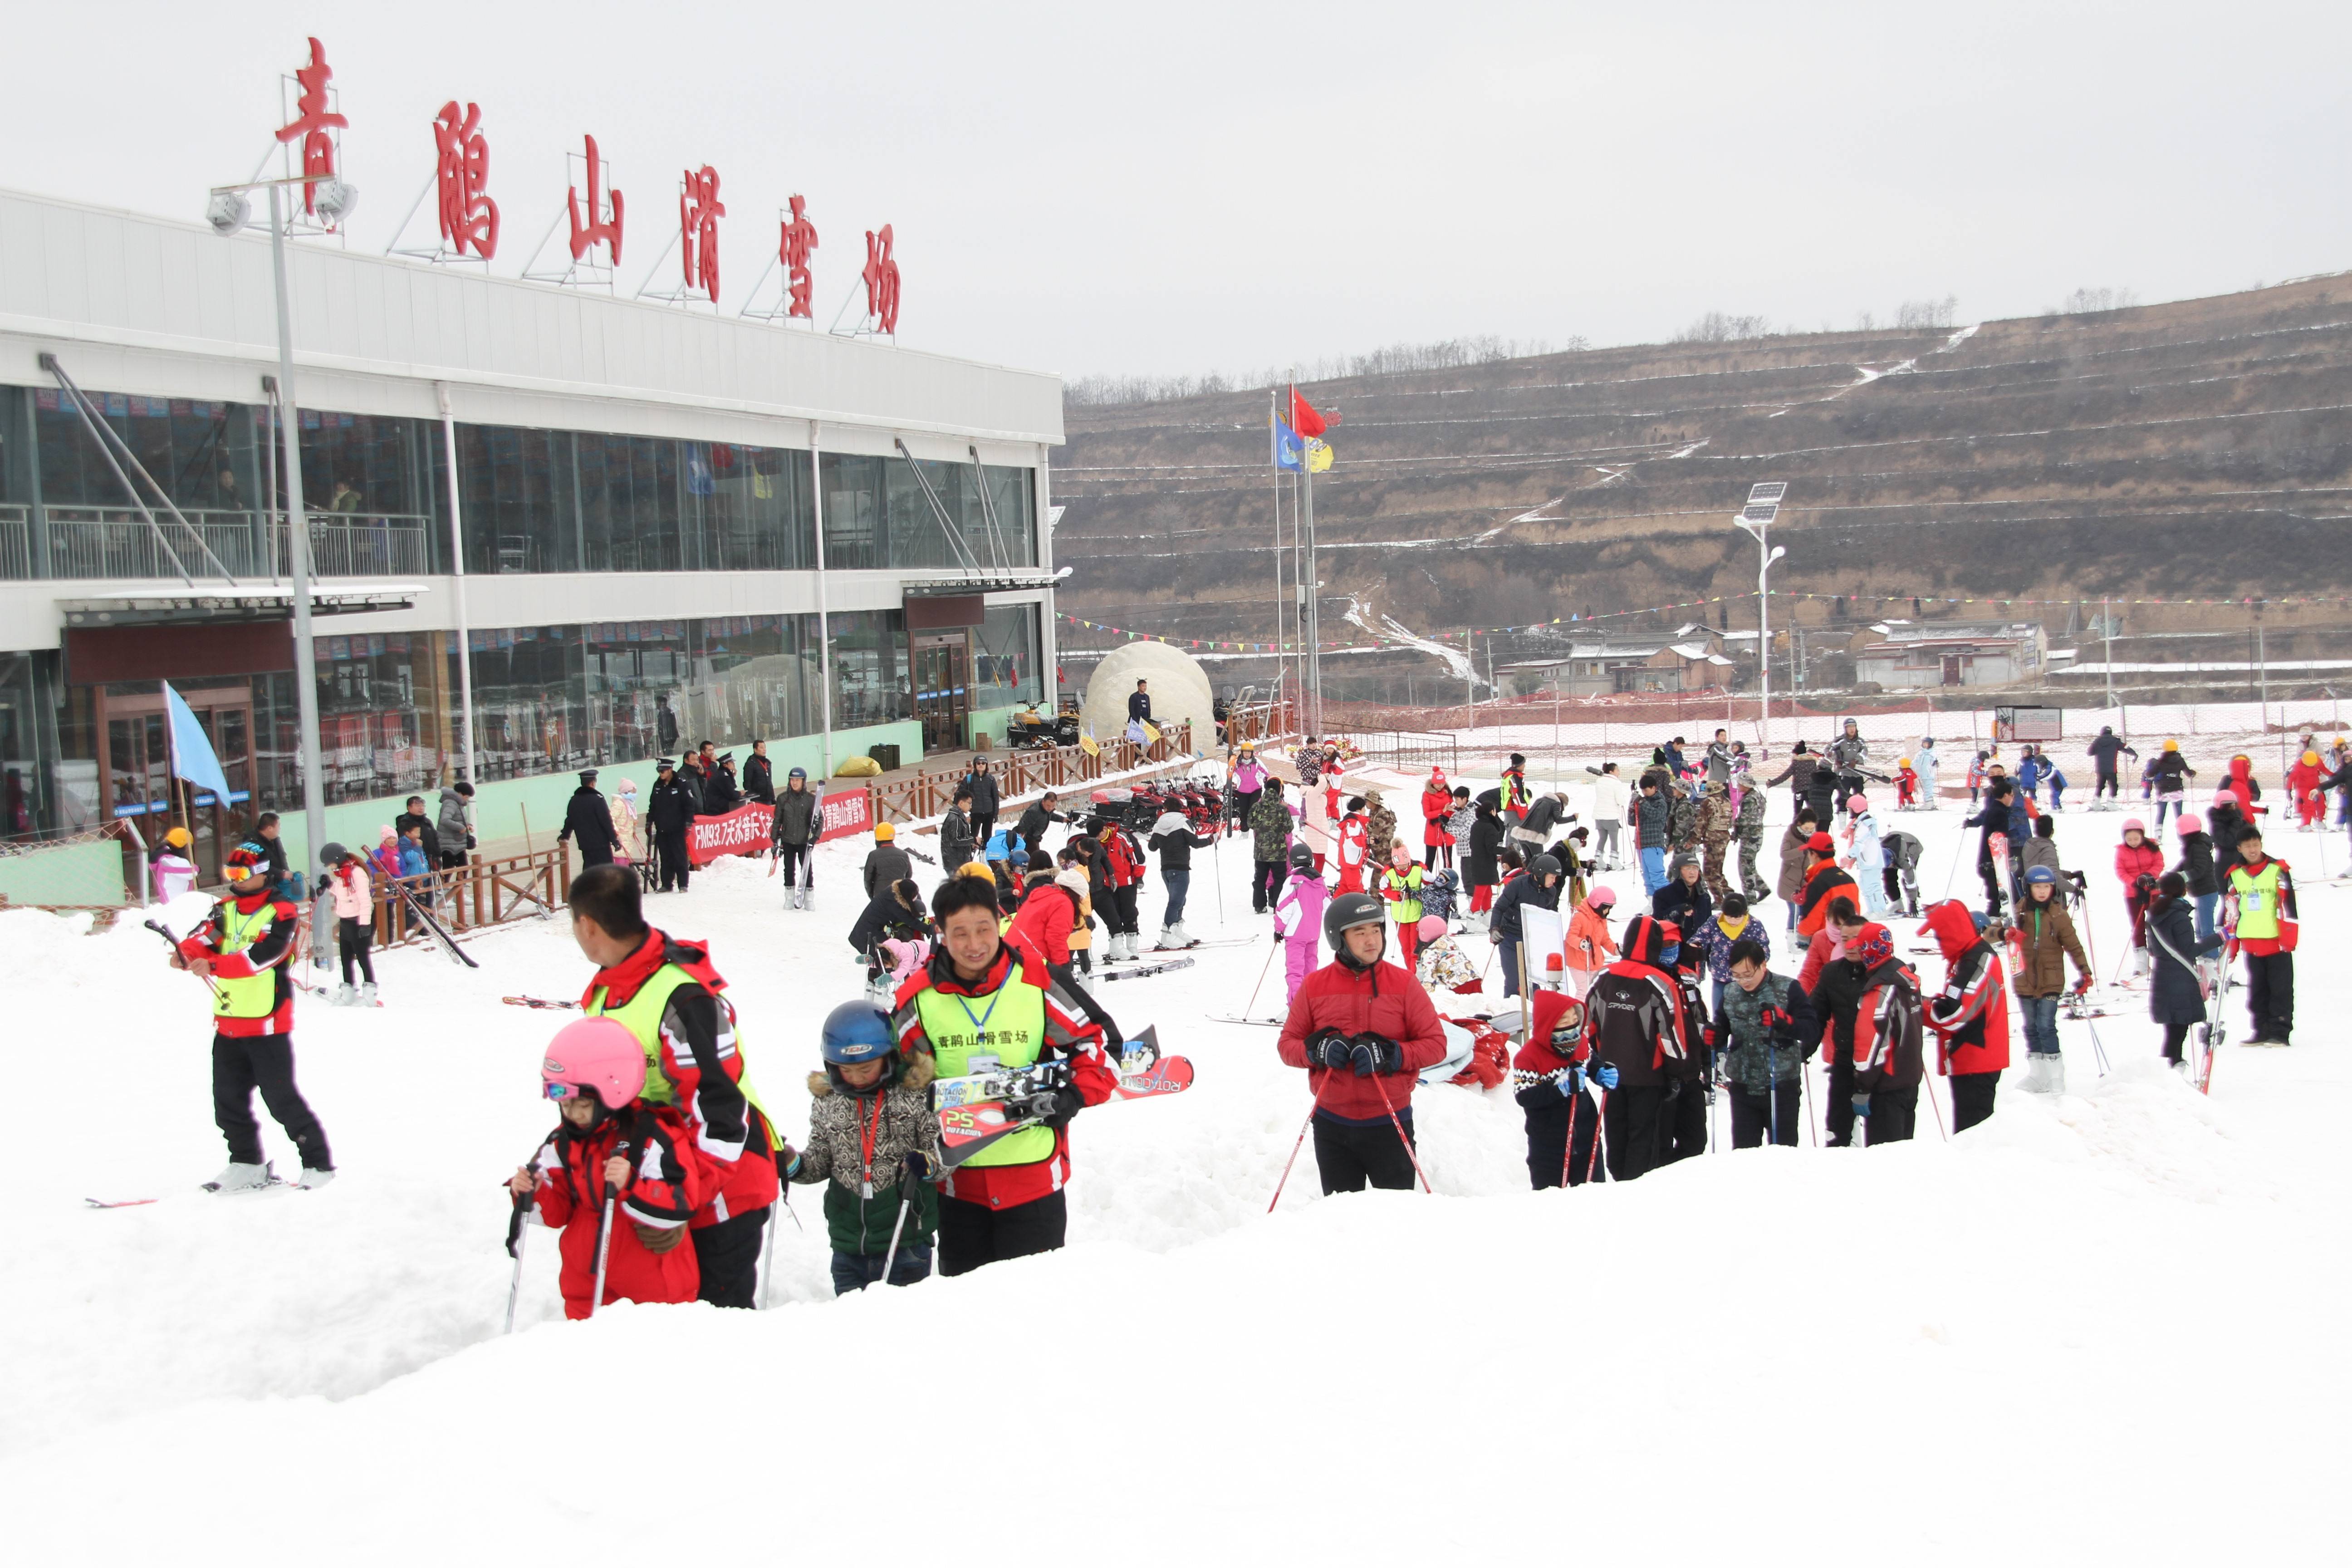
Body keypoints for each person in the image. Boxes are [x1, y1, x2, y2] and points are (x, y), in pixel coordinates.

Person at [571, 864, 782, 1306]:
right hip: (661, 1186)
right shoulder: (606, 993)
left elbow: (721, 1115)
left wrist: (676, 1204)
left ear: (587, 925)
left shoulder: (683, 998)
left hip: (721, 1187)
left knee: (714, 1329)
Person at [892, 874, 1113, 1273]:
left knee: (1033, 1308)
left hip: (1033, 1178)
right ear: (941, 932)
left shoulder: (1036, 981)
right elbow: (898, 1081)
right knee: (969, 1315)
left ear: (1000, 924)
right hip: (959, 1186)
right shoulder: (917, 1000)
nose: (974, 945)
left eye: (984, 930)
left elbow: (1095, 1044)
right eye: (960, 933)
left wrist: (1073, 1097)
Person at [511, 1018, 706, 1318]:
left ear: (612, 1093)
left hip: (653, 1287)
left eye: (583, 1105)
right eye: (564, 1104)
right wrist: (534, 1192)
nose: (573, 1114)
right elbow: (557, 1213)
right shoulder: (562, 1143)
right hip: (586, 1283)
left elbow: (681, 1202)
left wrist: (632, 1184)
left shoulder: (653, 1138)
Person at [169, 838, 333, 1191]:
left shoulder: (282, 912)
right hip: (229, 1021)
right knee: (227, 1101)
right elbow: (202, 937)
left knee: (280, 1099)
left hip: (267, 1023)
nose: (235, 879)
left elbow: (263, 957)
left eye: (242, 872)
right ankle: (246, 1163)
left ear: (261, 873)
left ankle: (318, 1164)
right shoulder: (225, 909)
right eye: (231, 872)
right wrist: (185, 953)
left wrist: (211, 963)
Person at [1274, 892, 1449, 1194]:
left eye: (1376, 930)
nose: (1372, 940)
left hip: (1390, 1122)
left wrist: (1392, 1054)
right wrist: (1317, 1052)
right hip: (1332, 1126)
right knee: (1342, 1221)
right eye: (1360, 932)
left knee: (1395, 1218)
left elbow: (1436, 1044)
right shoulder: (1315, 986)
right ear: (1338, 938)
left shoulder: (1404, 984)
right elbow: (1287, 1045)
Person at [787, 1001, 942, 1292]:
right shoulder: (829, 1100)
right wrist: (790, 1163)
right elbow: (820, 1160)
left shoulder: (915, 1095)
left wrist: (929, 1163)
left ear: (889, 1057)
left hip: (905, 1245)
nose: (856, 1079)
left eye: (866, 1069)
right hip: (848, 1248)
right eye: (846, 1071)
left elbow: (944, 1152)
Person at [1575, 913, 1690, 1182]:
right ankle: (1635, 1185)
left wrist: (1598, 1054)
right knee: (1643, 1134)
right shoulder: (1661, 983)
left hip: (1611, 1073)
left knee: (1616, 1129)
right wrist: (1676, 1073)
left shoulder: (1604, 976)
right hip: (1648, 1076)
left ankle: (1618, 1179)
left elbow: (1587, 1022)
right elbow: (1673, 1037)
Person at [1717, 937, 1817, 1148]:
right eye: (1737, 976)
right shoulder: (1730, 992)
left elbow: (1811, 1029)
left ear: (1763, 965)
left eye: (1748, 974)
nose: (1743, 981)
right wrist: (1714, 1034)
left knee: (1783, 1152)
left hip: (1780, 1086)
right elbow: (1722, 1025)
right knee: (1744, 1154)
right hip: (1742, 1085)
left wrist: (1785, 1022)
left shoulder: (1788, 987)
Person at [1919, 900, 2008, 1131]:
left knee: (1974, 1136)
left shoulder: (1976, 959)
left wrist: (1917, 1006)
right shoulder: (1967, 956)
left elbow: (1954, 1014)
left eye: (1940, 935)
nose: (1939, 942)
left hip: (1977, 1059)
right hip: (1970, 1057)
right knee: (1971, 1131)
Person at [2012, 865, 2092, 1093]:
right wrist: (2003, 933)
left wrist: (2085, 971)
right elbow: (1991, 932)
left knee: (2046, 1025)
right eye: (2038, 887)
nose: (2042, 891)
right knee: (2030, 1027)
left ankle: (2056, 1075)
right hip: (2024, 978)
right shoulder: (2018, 913)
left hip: (2051, 979)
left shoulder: (2058, 915)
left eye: (2046, 887)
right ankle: (2038, 1074)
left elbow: (2074, 946)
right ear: (2029, 888)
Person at [1512, 990, 1605, 1187]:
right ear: (1549, 1025)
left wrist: (1600, 1073)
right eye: (1564, 1022)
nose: (1571, 1027)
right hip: (1550, 1146)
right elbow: (1525, 1097)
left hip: (1587, 1137)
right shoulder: (1528, 1057)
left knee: (1594, 1194)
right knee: (1551, 1199)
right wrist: (1559, 1089)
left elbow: (1591, 1063)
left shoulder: (1580, 1043)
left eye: (1575, 1020)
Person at [1842, 922, 1925, 1144]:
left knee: (1886, 1160)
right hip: (1910, 1079)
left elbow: (1869, 1044)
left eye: (1860, 948)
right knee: (1904, 1149)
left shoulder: (1880, 989)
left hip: (1886, 1085)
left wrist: (1862, 1085)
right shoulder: (1907, 978)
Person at [2143, 872, 2225, 1073]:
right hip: (2180, 977)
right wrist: (2219, 937)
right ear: (2183, 890)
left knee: (2172, 1030)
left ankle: (2168, 1070)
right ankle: (2173, 1073)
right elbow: (2190, 950)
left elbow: (2152, 950)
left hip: (2162, 976)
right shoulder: (2178, 915)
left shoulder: (2154, 914)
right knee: (2179, 1030)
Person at [2224, 824, 2297, 1046]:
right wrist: (2231, 944)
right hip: (2251, 941)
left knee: (2280, 989)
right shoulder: (2235, 875)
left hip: (2276, 941)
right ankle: (2261, 1030)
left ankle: (2280, 1032)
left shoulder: (2278, 870)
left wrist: (2289, 936)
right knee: (2257, 990)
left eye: (2256, 845)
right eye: (2248, 846)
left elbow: (2289, 906)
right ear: (2240, 849)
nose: (2253, 850)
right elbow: (2231, 910)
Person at [1490, 853, 1563, 998]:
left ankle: (1536, 1012)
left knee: (1534, 979)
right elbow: (1499, 907)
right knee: (1513, 980)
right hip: (1510, 937)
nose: (1554, 881)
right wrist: (1494, 929)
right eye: (1552, 877)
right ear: (1541, 874)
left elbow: (1548, 915)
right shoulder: (1518, 885)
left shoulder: (1551, 892)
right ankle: (1512, 1009)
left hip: (1532, 939)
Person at [1147, 804, 1214, 948]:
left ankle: (1177, 931)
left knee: (1180, 900)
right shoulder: (1183, 822)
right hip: (1181, 868)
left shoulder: (1159, 825)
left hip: (1165, 869)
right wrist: (1210, 840)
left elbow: (1152, 847)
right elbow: (1195, 843)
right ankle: (1167, 937)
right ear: (1180, 809)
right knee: (1175, 902)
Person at [1691, 890, 1764, 1017]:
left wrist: (1754, 962)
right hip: (1720, 977)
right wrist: (1693, 947)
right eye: (1729, 917)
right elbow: (1699, 938)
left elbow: (1763, 949)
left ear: (1745, 914)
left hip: (1746, 979)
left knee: (1745, 1016)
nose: (1733, 921)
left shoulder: (1754, 925)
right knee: (1719, 1014)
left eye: (1738, 917)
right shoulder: (1714, 922)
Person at [1272, 842, 1327, 1005]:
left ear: (1293, 862)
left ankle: (1297, 1007)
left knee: (1295, 972)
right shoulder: (1320, 883)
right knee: (1310, 971)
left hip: (1295, 935)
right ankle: (1312, 1004)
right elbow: (1327, 906)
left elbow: (1283, 908)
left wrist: (1278, 930)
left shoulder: (1293, 882)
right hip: (1313, 934)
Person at [323, 841, 377, 1006]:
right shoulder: (342, 874)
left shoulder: (357, 873)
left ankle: (370, 995)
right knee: (346, 959)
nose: (330, 867)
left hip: (358, 921)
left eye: (330, 863)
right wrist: (329, 885)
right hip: (346, 921)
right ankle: (349, 993)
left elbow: (365, 900)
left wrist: (365, 924)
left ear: (337, 858)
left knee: (363, 958)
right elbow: (343, 894)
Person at [2115, 818, 2164, 975]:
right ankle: (2141, 960)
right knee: (2138, 926)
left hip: (2153, 891)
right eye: (2129, 839)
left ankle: (2160, 954)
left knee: (2157, 923)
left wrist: (2150, 876)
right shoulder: (2121, 851)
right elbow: (2120, 871)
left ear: (2142, 836)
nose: (2133, 842)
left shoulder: (2152, 846)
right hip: (2133, 894)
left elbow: (2159, 863)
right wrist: (2134, 883)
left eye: (2136, 839)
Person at [771, 766, 821, 908]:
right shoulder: (783, 799)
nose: (795, 783)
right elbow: (777, 819)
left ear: (803, 782)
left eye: (798, 780)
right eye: (792, 780)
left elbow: (819, 820)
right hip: (788, 840)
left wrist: (815, 837)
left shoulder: (811, 800)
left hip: (804, 840)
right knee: (789, 869)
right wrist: (775, 840)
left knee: (806, 869)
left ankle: (809, 898)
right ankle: (790, 896)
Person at [1964, 778, 2015, 915]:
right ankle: (1991, 924)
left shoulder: (1993, 809)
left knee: (1996, 897)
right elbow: (1999, 839)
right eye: (2012, 795)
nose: (2012, 799)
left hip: (1986, 860)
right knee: (1996, 898)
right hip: (1992, 861)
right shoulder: (2000, 812)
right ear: (2005, 795)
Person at [1794, 832, 1858, 940]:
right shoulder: (1848, 879)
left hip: (1827, 940)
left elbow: (1812, 922)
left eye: (1808, 853)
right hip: (1850, 938)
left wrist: (1800, 931)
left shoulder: (1818, 883)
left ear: (1814, 854)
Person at [1101, 815, 1148, 960]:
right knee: (1113, 915)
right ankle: (1116, 945)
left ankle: (1132, 945)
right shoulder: (1096, 842)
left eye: (1099, 833)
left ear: (1105, 829)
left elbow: (1139, 858)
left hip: (1127, 882)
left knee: (1129, 912)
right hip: (1108, 884)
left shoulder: (1123, 837)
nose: (1097, 837)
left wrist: (1139, 877)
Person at [648, 759, 696, 892]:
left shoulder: (681, 784)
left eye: (663, 771)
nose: (661, 774)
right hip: (662, 828)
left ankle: (683, 884)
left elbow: (689, 805)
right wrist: (649, 822)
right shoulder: (657, 786)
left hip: (677, 827)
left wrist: (688, 822)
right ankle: (667, 884)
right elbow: (653, 805)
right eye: (659, 771)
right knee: (665, 857)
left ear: (670, 770)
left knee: (680, 856)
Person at [2171, 811, 2220, 941]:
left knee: (2206, 929)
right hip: (2201, 893)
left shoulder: (2198, 847)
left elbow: (2199, 870)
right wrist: (2171, 876)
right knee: (2199, 929)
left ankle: (2212, 956)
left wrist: (2182, 877)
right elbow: (2183, 865)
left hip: (2207, 893)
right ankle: (2204, 953)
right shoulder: (2193, 847)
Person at [1564, 883, 1618, 996]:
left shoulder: (1601, 920)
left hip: (1594, 962)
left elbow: (1605, 940)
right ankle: (1580, 1013)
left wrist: (1616, 950)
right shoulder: (1580, 917)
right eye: (1606, 908)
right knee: (1584, 991)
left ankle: (1593, 1012)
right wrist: (1581, 943)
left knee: (1595, 990)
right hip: (1578, 961)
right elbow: (1570, 937)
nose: (1607, 912)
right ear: (1597, 904)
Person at [558, 768, 619, 869]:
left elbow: (569, 821)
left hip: (585, 845)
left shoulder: (574, 801)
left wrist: (565, 835)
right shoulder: (598, 799)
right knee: (606, 874)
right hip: (601, 845)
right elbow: (606, 822)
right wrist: (614, 840)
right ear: (592, 783)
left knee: (589, 872)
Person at [1249, 777, 1294, 913]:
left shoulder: (1257, 806)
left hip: (1261, 850)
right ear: (1279, 790)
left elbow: (1250, 823)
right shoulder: (1282, 808)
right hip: (1278, 851)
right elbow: (1289, 828)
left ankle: (1259, 905)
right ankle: (1278, 905)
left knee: (1260, 878)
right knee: (1280, 878)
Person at [1379, 843, 1427, 967]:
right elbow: (1383, 890)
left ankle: (1414, 973)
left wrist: (1420, 894)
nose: (1403, 868)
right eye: (1399, 867)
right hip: (1400, 916)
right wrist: (1397, 895)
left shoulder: (1418, 869)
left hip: (1416, 914)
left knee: (1415, 947)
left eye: (1405, 865)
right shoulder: (1389, 873)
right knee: (1405, 948)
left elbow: (1432, 884)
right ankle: (1410, 971)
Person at [1412, 913, 1481, 996]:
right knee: (1476, 1004)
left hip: (1457, 983)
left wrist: (1421, 996)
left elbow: (1430, 975)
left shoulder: (1429, 952)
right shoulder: (1450, 943)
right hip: (1473, 977)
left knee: (1461, 1006)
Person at [1842, 795, 1886, 916]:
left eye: (1850, 809)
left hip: (1871, 860)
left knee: (1872, 887)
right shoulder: (1860, 823)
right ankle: (1872, 910)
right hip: (1866, 860)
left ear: (1856, 808)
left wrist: (1848, 857)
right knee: (1865, 886)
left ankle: (1879, 911)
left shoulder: (1865, 824)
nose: (1850, 812)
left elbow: (1859, 843)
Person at [1775, 806, 1817, 931]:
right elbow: (1784, 854)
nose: (1809, 831)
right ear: (1800, 824)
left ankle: (1802, 936)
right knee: (1795, 911)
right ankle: (1791, 937)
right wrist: (1802, 849)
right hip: (1790, 881)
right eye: (1806, 829)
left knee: (1804, 911)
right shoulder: (1790, 835)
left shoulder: (1814, 836)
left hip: (1806, 881)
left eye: (1812, 829)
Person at [1652, 851, 1711, 938]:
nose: (1692, 872)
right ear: (1677, 871)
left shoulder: (1704, 897)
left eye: (1695, 868)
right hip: (1674, 946)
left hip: (1699, 948)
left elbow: (1708, 927)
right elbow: (1658, 921)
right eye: (1688, 868)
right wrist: (1679, 910)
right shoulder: (1662, 895)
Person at [1631, 774, 1671, 896]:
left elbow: (1655, 815)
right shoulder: (1643, 802)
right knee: (1647, 877)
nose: (1644, 793)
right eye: (1642, 791)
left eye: (1646, 790)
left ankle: (1666, 901)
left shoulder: (1660, 802)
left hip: (1654, 844)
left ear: (1654, 788)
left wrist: (1642, 802)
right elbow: (1632, 821)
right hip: (1641, 844)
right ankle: (1651, 901)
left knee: (1657, 875)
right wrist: (1632, 806)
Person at [1463, 798, 1504, 917]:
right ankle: (1473, 916)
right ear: (1491, 812)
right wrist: (1506, 851)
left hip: (1476, 862)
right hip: (1486, 864)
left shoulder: (1476, 825)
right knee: (1481, 893)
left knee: (1487, 892)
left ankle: (1487, 915)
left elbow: (1472, 844)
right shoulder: (1490, 828)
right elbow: (1491, 848)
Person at [1584, 761, 1629, 868]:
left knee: (1602, 838)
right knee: (1614, 839)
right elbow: (1620, 800)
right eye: (1617, 770)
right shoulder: (1616, 783)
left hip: (1599, 815)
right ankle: (1614, 862)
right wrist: (1623, 800)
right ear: (1611, 771)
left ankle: (1598, 860)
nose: (1619, 772)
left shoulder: (1600, 781)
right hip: (1611, 816)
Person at [1014, 789, 1070, 866]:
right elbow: (1023, 826)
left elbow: (1050, 816)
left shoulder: (1046, 810)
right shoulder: (1034, 811)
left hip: (1036, 837)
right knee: (1036, 859)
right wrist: (1020, 841)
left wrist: (1062, 819)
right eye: (1048, 806)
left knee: (1036, 858)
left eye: (1053, 806)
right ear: (1043, 802)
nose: (1050, 808)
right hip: (1029, 838)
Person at [2147, 740, 2195, 828]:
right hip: (2177, 790)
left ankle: (2158, 835)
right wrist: (2193, 773)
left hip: (2163, 791)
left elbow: (2150, 774)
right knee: (2179, 815)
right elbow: (2189, 774)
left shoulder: (2160, 762)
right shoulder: (2180, 761)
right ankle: (2183, 835)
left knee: (2161, 814)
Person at [1879, 828, 1924, 918]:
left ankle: (1914, 899)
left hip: (1913, 846)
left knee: (1907, 879)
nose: (1890, 868)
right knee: (1888, 877)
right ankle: (1897, 903)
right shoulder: (1879, 851)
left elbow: (1911, 882)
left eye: (1891, 866)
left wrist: (1912, 903)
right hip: (1892, 845)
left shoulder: (1903, 861)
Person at [863, 820, 912, 898]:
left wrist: (873, 897)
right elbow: (908, 876)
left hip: (880, 898)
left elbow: (868, 880)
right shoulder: (904, 855)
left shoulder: (874, 855)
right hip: (899, 897)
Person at [1830, 719, 1870, 814]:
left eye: (1854, 727)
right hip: (1844, 773)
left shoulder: (1860, 741)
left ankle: (1859, 815)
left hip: (1858, 772)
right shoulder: (1839, 740)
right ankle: (1842, 815)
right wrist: (1837, 760)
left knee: (1859, 796)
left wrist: (1856, 760)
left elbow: (1865, 753)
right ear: (1845, 729)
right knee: (1843, 796)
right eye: (1849, 727)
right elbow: (1829, 751)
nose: (1852, 729)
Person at [2088, 727, 2136, 806]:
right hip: (2112, 768)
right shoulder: (2115, 741)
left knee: (2100, 786)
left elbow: (2090, 752)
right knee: (2114, 786)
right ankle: (2111, 804)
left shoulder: (2097, 741)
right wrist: (2134, 754)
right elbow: (2125, 748)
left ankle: (2096, 803)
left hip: (2100, 769)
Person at [1418, 766, 1454, 871]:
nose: (1441, 786)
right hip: (1433, 828)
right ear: (1433, 783)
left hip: (1446, 828)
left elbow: (1451, 807)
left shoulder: (1448, 793)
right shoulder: (1427, 795)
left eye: (1443, 784)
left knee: (1448, 858)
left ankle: (1448, 880)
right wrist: (1441, 811)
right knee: (1430, 858)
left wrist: (1452, 809)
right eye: (1438, 784)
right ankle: (1427, 881)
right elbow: (1427, 814)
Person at [1333, 795, 1371, 896]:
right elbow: (1350, 840)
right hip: (1351, 862)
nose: (1365, 811)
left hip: (1349, 861)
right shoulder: (1354, 823)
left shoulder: (1352, 821)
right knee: (1356, 889)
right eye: (1364, 808)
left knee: (1344, 888)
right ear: (1360, 809)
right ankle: (1358, 908)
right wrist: (1366, 841)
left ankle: (1335, 907)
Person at [963, 758, 1001, 850]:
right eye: (979, 763)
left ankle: (985, 856)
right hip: (976, 812)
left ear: (986, 765)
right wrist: (967, 806)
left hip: (989, 812)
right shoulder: (969, 779)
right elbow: (961, 793)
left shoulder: (991, 779)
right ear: (975, 765)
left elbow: (996, 797)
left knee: (987, 838)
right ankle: (970, 856)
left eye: (983, 763)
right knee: (973, 837)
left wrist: (995, 813)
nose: (981, 765)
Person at [1232, 744, 1268, 842]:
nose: (1247, 755)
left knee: (1255, 810)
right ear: (1242, 753)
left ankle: (1258, 831)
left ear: (1252, 753)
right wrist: (1229, 771)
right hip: (1243, 791)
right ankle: (1244, 832)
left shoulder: (1257, 763)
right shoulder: (1237, 764)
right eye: (1245, 752)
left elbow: (1265, 773)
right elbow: (1231, 774)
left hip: (1256, 790)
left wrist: (1266, 780)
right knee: (1244, 812)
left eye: (1249, 752)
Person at [153, 824, 198, 902]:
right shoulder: (170, 861)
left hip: (178, 902)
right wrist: (197, 868)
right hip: (174, 903)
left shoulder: (165, 858)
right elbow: (190, 873)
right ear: (182, 845)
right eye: (188, 846)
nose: (188, 850)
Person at [394, 794, 441, 867]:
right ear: (409, 808)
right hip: (416, 863)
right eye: (418, 806)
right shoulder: (405, 824)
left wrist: (438, 854)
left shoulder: (427, 822)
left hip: (432, 860)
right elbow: (403, 845)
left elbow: (435, 838)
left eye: (423, 806)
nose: (421, 808)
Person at [742, 740, 775, 805]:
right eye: (761, 748)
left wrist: (773, 798)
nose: (764, 750)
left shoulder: (767, 763)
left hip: (768, 798)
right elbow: (747, 782)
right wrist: (751, 797)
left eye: (765, 747)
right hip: (757, 799)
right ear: (755, 750)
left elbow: (769, 782)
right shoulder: (751, 764)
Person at [1914, 737, 1940, 808]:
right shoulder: (1920, 753)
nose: (1926, 745)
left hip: (1929, 774)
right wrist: (1909, 767)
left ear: (1931, 745)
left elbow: (1935, 764)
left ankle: (1929, 803)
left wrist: (1936, 764)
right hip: (1922, 774)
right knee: (1925, 790)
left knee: (1928, 789)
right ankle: (1927, 803)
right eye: (1924, 744)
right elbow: (1915, 762)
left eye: (1927, 744)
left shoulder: (1932, 753)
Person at [1125, 678, 1153, 745]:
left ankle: (1146, 754)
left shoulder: (1147, 697)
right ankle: (1138, 755)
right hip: (1137, 721)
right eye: (1143, 686)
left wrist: (1149, 718)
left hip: (1146, 721)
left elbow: (1149, 708)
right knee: (1137, 740)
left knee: (1146, 739)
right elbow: (1131, 710)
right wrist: (1136, 721)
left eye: (1146, 686)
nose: (1145, 688)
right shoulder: (1134, 696)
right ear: (1139, 687)